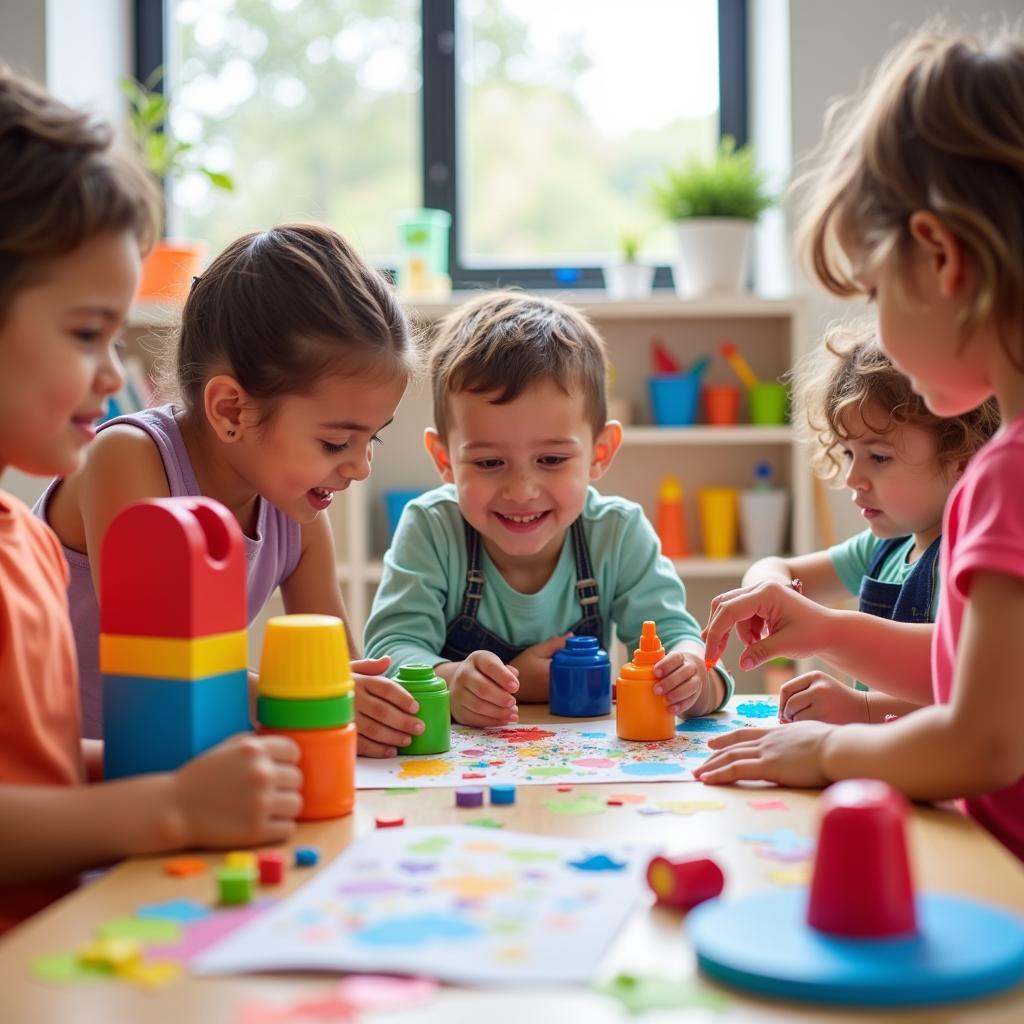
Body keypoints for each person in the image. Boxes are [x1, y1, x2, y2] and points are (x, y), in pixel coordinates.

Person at [695, 28, 1024, 862]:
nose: (875, 321)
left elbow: (983, 744)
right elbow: (977, 681)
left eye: (876, 291)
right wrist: (827, 632)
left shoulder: (1005, 476)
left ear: (943, 258)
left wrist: (826, 752)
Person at [0, 68, 302, 934]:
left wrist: (192, 779)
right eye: (87, 332)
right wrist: (167, 805)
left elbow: (41, 776)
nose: (111, 374)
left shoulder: (22, 540)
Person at [36, 222, 424, 757]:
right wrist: (307, 696)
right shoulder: (126, 458)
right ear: (230, 410)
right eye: (336, 443)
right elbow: (165, 662)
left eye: (370, 439)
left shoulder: (295, 512)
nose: (359, 468)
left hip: (166, 768)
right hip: (53, 778)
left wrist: (372, 704)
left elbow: (334, 668)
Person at [364, 290, 733, 729]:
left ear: (600, 452)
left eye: (552, 460)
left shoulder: (618, 532)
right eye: (488, 463)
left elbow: (680, 641)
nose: (521, 490)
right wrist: (450, 681)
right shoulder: (432, 528)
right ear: (444, 459)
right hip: (455, 771)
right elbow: (390, 652)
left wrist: (692, 677)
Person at [742, 320, 997, 725]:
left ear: (960, 455)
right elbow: (783, 569)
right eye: (848, 455)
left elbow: (968, 682)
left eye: (878, 457)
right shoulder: (884, 547)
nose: (851, 479)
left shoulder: (965, 558)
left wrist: (860, 709)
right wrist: (770, 588)